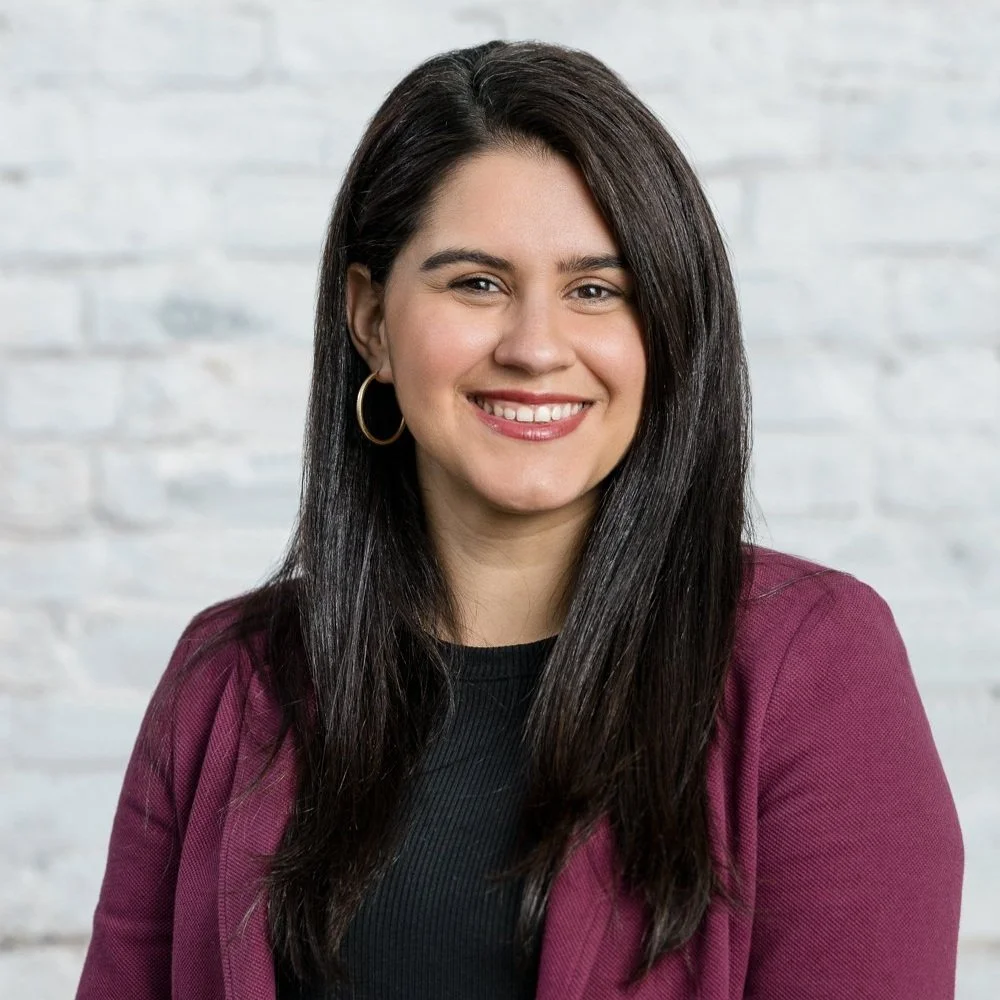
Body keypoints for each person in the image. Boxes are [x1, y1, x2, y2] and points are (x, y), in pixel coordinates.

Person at [75, 40, 963, 1000]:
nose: (536, 348)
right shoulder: (225, 682)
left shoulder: (813, 665)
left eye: (596, 291)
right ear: (371, 321)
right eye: (477, 283)